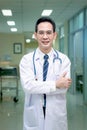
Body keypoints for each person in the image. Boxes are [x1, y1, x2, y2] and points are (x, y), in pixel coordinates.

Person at [19, 17, 72, 130]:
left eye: (48, 32)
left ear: (54, 35)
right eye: (41, 33)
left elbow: (64, 88)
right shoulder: (26, 60)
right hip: (34, 113)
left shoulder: (64, 60)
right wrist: (55, 84)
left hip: (56, 115)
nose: (45, 36)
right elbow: (28, 86)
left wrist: (37, 85)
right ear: (35, 35)